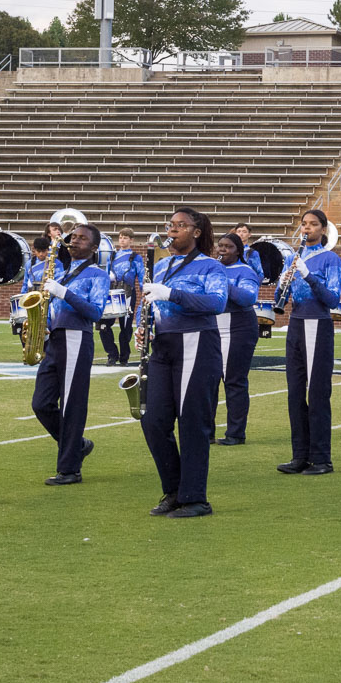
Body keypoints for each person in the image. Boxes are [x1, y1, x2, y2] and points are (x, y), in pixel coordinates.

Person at [137, 208, 228, 518]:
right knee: (153, 420)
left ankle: (195, 498)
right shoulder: (160, 265)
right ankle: (174, 490)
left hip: (197, 344)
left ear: (197, 232)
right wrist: (141, 327)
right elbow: (147, 302)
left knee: (192, 422)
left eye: (180, 225)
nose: (173, 230)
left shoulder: (210, 267)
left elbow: (217, 303)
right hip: (162, 346)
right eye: (171, 225)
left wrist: (172, 293)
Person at [31, 223, 110, 486]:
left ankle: (69, 469)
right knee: (41, 403)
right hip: (55, 338)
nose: (74, 241)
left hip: (77, 337)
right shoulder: (63, 272)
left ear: (94, 247)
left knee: (72, 405)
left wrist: (64, 293)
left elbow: (95, 311)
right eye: (73, 237)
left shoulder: (97, 275)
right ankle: (77, 445)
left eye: (82, 239)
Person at [277, 209, 341, 476]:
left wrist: (308, 276)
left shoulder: (330, 258)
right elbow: (285, 296)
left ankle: (321, 458)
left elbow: (333, 299)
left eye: (313, 225)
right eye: (304, 224)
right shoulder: (294, 257)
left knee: (316, 394)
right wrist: (284, 284)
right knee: (294, 393)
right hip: (296, 323)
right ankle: (299, 455)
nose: (307, 229)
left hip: (318, 323)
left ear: (323, 229)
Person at [214, 233, 261, 446]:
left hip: (238, 326)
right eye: (220, 246)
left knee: (233, 380)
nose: (222, 250)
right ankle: (205, 430)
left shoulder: (245, 271)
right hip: (213, 325)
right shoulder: (212, 268)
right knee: (209, 381)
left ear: (238, 250)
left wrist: (223, 281)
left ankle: (235, 432)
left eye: (228, 247)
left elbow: (248, 298)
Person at [101, 228, 145, 366]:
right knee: (103, 325)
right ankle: (112, 354)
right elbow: (106, 273)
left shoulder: (135, 257)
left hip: (127, 293)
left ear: (131, 240)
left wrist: (145, 291)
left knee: (125, 327)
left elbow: (142, 276)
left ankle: (124, 357)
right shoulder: (112, 256)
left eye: (125, 238)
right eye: (120, 237)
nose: (122, 240)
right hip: (112, 292)